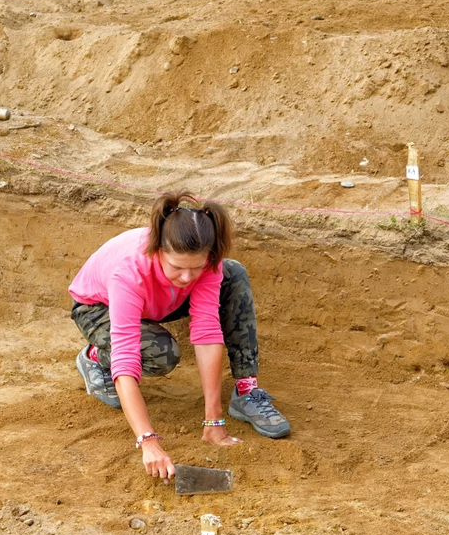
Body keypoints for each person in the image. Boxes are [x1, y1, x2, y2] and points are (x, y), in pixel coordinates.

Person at [68, 191, 289, 482]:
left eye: (196, 268)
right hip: (99, 307)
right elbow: (126, 355)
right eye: (177, 266)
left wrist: (214, 420)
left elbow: (207, 331)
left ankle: (246, 390)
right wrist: (148, 441)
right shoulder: (128, 272)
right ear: (157, 249)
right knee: (162, 354)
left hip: (159, 300)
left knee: (233, 274)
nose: (187, 277)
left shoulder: (208, 264)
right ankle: (95, 357)